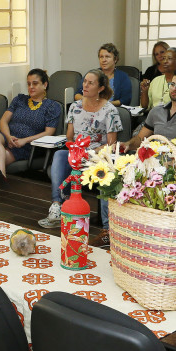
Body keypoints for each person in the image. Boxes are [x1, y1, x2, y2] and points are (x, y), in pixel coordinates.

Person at [39, 69, 124, 239]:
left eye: (90, 83)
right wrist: (76, 149)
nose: (85, 85)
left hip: (98, 156)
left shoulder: (109, 110)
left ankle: (107, 228)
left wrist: (90, 152)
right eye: (84, 81)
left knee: (105, 168)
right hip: (77, 153)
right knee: (59, 156)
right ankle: (57, 206)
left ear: (100, 88)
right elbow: (69, 136)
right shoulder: (75, 107)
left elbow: (111, 143)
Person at [0, 69, 62, 216]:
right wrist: (8, 136)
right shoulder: (19, 99)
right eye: (29, 84)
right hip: (8, 138)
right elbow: (3, 121)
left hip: (29, 146)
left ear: (45, 85)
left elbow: (49, 132)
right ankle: (2, 174)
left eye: (35, 83)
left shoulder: (52, 106)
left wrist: (24, 140)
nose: (31, 87)